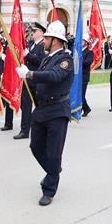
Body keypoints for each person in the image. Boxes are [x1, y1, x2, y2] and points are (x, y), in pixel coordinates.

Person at [16, 20, 73, 206]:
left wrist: (30, 74)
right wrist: (23, 76)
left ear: (55, 40)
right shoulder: (47, 58)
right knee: (36, 147)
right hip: (42, 109)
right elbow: (40, 81)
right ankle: (54, 170)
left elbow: (54, 76)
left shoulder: (66, 59)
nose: (43, 41)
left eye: (46, 38)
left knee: (54, 152)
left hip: (57, 111)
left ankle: (49, 189)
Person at [14, 22, 46, 140]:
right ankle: (25, 130)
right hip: (27, 80)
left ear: (41, 33)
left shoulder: (44, 45)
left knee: (40, 106)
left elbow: (41, 61)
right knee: (25, 105)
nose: (32, 33)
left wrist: (28, 55)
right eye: (32, 31)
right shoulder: (31, 44)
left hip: (37, 80)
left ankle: (41, 126)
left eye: (35, 31)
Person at [81, 32, 93, 117]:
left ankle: (82, 109)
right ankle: (86, 108)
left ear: (86, 42)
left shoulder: (89, 52)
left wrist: (79, 60)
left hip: (84, 76)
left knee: (81, 95)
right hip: (76, 76)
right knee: (76, 93)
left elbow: (88, 62)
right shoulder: (77, 51)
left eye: (82, 40)